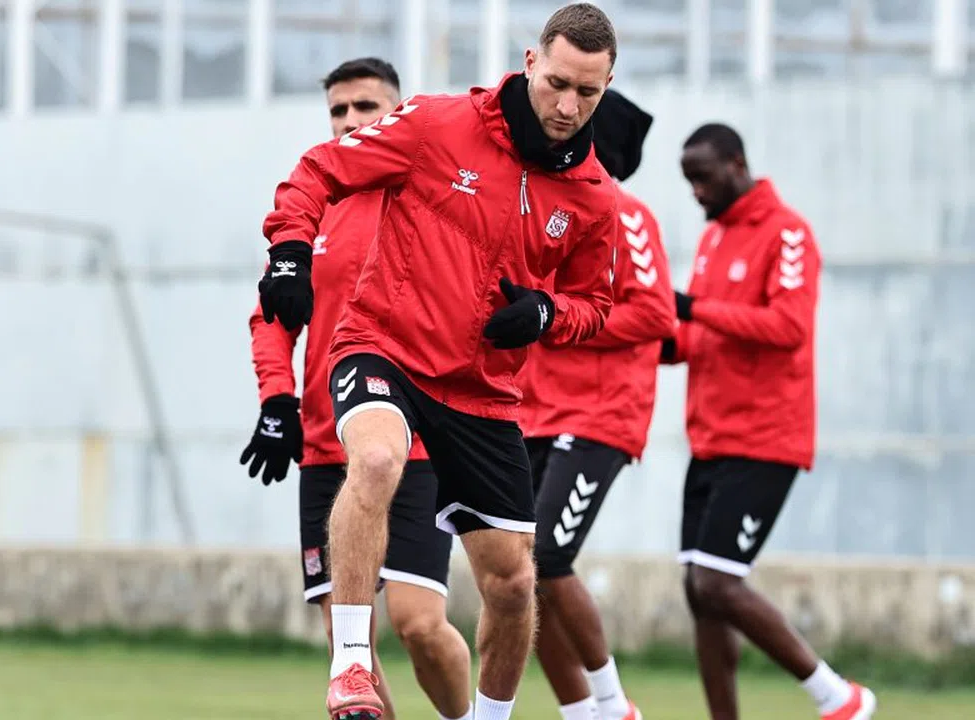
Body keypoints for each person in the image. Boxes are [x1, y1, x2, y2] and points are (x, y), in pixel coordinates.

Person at [258, 4, 621, 719]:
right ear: (530, 62)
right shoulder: (438, 123)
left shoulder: (594, 198)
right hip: (382, 347)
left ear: (605, 87)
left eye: (587, 92)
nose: (567, 105)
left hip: (481, 392)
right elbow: (318, 170)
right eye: (557, 83)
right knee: (376, 460)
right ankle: (352, 666)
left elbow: (595, 304)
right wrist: (290, 250)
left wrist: (547, 314)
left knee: (514, 584)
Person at [242, 57, 473, 720]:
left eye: (365, 107)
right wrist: (277, 399)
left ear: (397, 114)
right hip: (325, 447)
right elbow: (272, 317)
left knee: (419, 623)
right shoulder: (313, 208)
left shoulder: (430, 200)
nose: (349, 121)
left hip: (416, 444)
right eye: (338, 111)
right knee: (350, 651)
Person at [664, 122, 876, 720]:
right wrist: (642, 336)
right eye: (688, 181)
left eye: (703, 177)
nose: (696, 192)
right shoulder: (712, 240)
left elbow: (788, 327)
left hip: (765, 439)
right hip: (710, 439)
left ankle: (839, 697)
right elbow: (694, 335)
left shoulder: (789, 233)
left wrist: (694, 309)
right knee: (700, 594)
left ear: (736, 165)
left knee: (716, 583)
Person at [519, 88, 672, 720]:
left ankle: (612, 704)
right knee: (515, 576)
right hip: (533, 411)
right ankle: (582, 712)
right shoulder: (544, 206)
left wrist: (559, 320)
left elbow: (656, 313)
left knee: (548, 557)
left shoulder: (627, 214)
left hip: (598, 416)